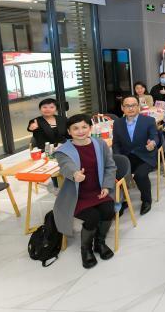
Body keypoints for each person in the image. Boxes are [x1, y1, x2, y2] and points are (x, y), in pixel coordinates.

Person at [53, 114, 116, 269]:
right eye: (75, 128)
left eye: (84, 127)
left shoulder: (100, 144)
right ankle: (86, 249)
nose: (80, 131)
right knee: (92, 217)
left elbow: (110, 166)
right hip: (77, 196)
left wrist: (106, 186)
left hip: (98, 191)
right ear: (69, 131)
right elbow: (66, 166)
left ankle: (99, 243)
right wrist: (75, 174)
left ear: (90, 128)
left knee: (109, 210)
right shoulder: (63, 151)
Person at [111, 95, 159, 215]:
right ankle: (122, 200)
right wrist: (118, 157)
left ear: (138, 107)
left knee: (140, 175)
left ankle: (146, 200)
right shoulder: (117, 123)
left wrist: (152, 143)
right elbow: (116, 143)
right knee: (115, 174)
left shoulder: (148, 120)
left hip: (145, 155)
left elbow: (154, 136)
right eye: (127, 106)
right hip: (126, 156)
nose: (131, 108)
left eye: (133, 105)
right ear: (122, 108)